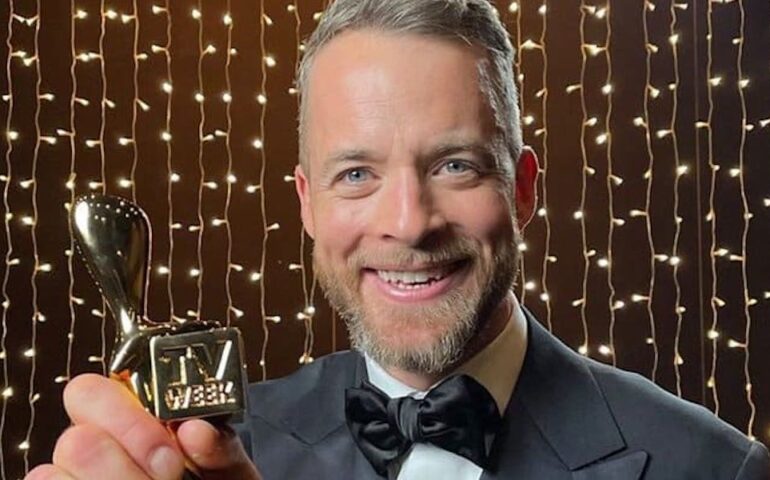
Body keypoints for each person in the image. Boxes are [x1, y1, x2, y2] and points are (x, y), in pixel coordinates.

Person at [27, 0, 770, 479]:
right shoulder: (220, 450)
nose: (410, 223)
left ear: (523, 189)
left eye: (455, 165)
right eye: (356, 174)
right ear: (307, 204)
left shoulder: (714, 467)